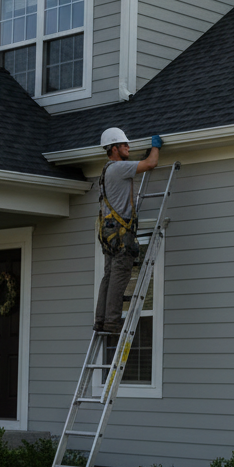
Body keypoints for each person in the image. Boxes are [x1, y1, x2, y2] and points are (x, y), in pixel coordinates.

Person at [94, 127, 161, 334]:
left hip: (109, 232)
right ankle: (112, 321)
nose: (128, 148)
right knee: (119, 275)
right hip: (121, 233)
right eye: (124, 145)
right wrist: (155, 148)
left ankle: (101, 320)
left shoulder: (107, 170)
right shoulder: (118, 168)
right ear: (114, 149)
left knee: (108, 275)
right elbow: (151, 164)